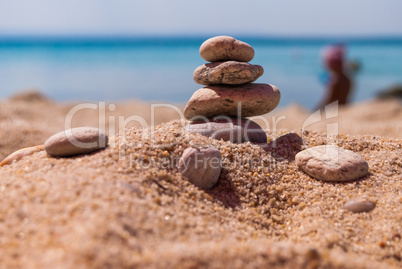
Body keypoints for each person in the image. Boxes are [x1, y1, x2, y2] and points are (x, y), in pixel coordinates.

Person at [316, 44, 352, 110]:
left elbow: (328, 101)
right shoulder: (347, 78)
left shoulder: (335, 81)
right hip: (343, 108)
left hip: (335, 111)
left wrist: (315, 110)